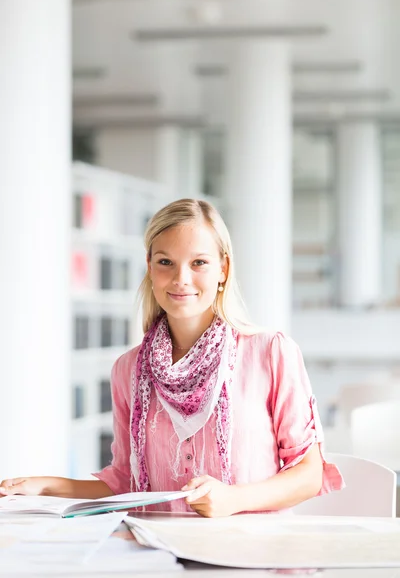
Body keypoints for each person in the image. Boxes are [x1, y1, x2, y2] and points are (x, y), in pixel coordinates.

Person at [0, 198, 344, 517]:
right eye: (166, 262)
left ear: (223, 269)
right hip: (156, 551)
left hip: (250, 553)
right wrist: (47, 486)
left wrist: (233, 500)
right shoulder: (128, 369)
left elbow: (309, 474)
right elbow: (127, 482)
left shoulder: (271, 352)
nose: (181, 279)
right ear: (150, 267)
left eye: (199, 263)